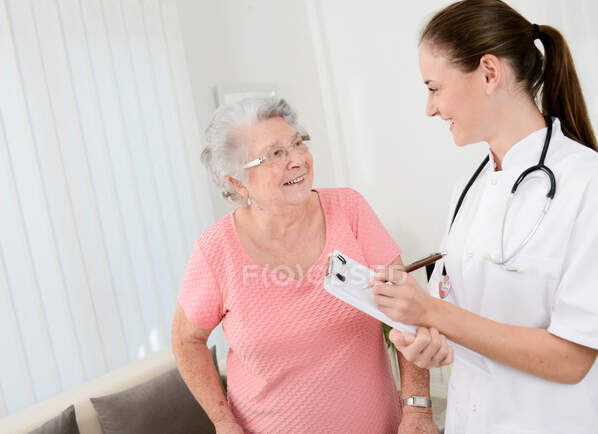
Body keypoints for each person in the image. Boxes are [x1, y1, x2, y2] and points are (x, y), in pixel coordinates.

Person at [371, 1, 598, 433]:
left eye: (434, 87)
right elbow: (467, 313)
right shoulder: (472, 185)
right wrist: (431, 339)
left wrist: (434, 313)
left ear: (488, 73)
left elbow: (572, 359)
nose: (429, 108)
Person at [171, 96, 452, 433]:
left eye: (297, 143)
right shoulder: (216, 249)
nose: (297, 160)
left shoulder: (349, 210)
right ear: (237, 182)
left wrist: (417, 410)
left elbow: (406, 312)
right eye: (275, 154)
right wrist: (222, 421)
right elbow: (187, 340)